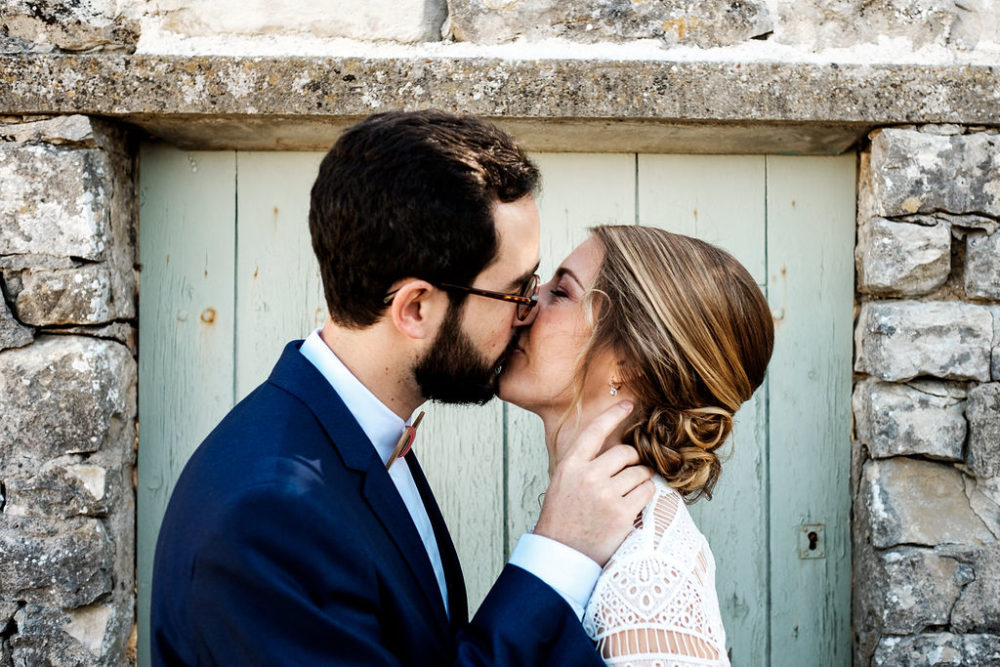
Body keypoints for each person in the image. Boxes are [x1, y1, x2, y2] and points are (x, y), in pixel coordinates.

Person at [150, 110, 655, 666]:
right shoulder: (268, 515)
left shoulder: (359, 436)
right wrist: (558, 553)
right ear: (415, 308)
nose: (528, 312)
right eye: (514, 292)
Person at [499, 225, 774, 666]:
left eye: (561, 292)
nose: (526, 303)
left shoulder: (648, 574)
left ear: (628, 364)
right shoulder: (597, 529)